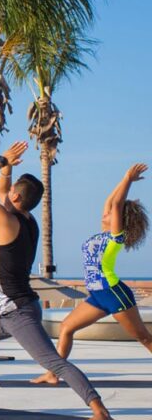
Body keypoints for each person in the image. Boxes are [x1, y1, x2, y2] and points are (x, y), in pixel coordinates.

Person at [0, 140, 111, 420]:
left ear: (15, 196)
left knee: (54, 363)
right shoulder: (27, 219)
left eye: (10, 191)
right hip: (7, 310)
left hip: (17, 312)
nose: (6, 193)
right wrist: (8, 171)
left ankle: (99, 410)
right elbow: (4, 192)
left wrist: (1, 161)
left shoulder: (5, 219)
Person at [32, 163, 150, 385]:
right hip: (97, 295)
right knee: (66, 327)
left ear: (118, 218)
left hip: (114, 293)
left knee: (143, 337)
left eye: (110, 213)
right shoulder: (103, 233)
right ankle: (53, 373)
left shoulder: (116, 237)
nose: (104, 212)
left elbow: (115, 204)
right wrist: (124, 183)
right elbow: (110, 201)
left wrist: (127, 178)